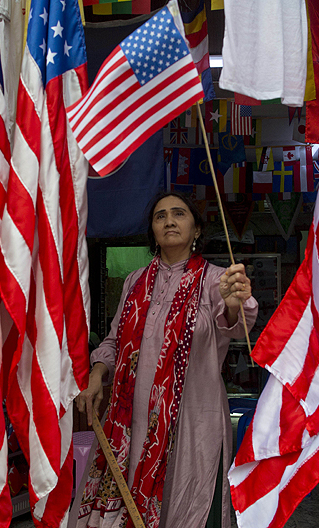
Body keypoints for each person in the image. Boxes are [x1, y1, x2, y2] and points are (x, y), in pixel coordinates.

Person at [75, 191, 258, 528]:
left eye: (179, 214)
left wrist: (234, 301)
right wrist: (97, 374)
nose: (169, 221)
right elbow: (114, 341)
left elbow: (235, 324)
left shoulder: (216, 280)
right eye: (160, 216)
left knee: (187, 505)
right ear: (153, 231)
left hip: (192, 421)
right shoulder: (135, 282)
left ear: (197, 229)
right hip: (131, 423)